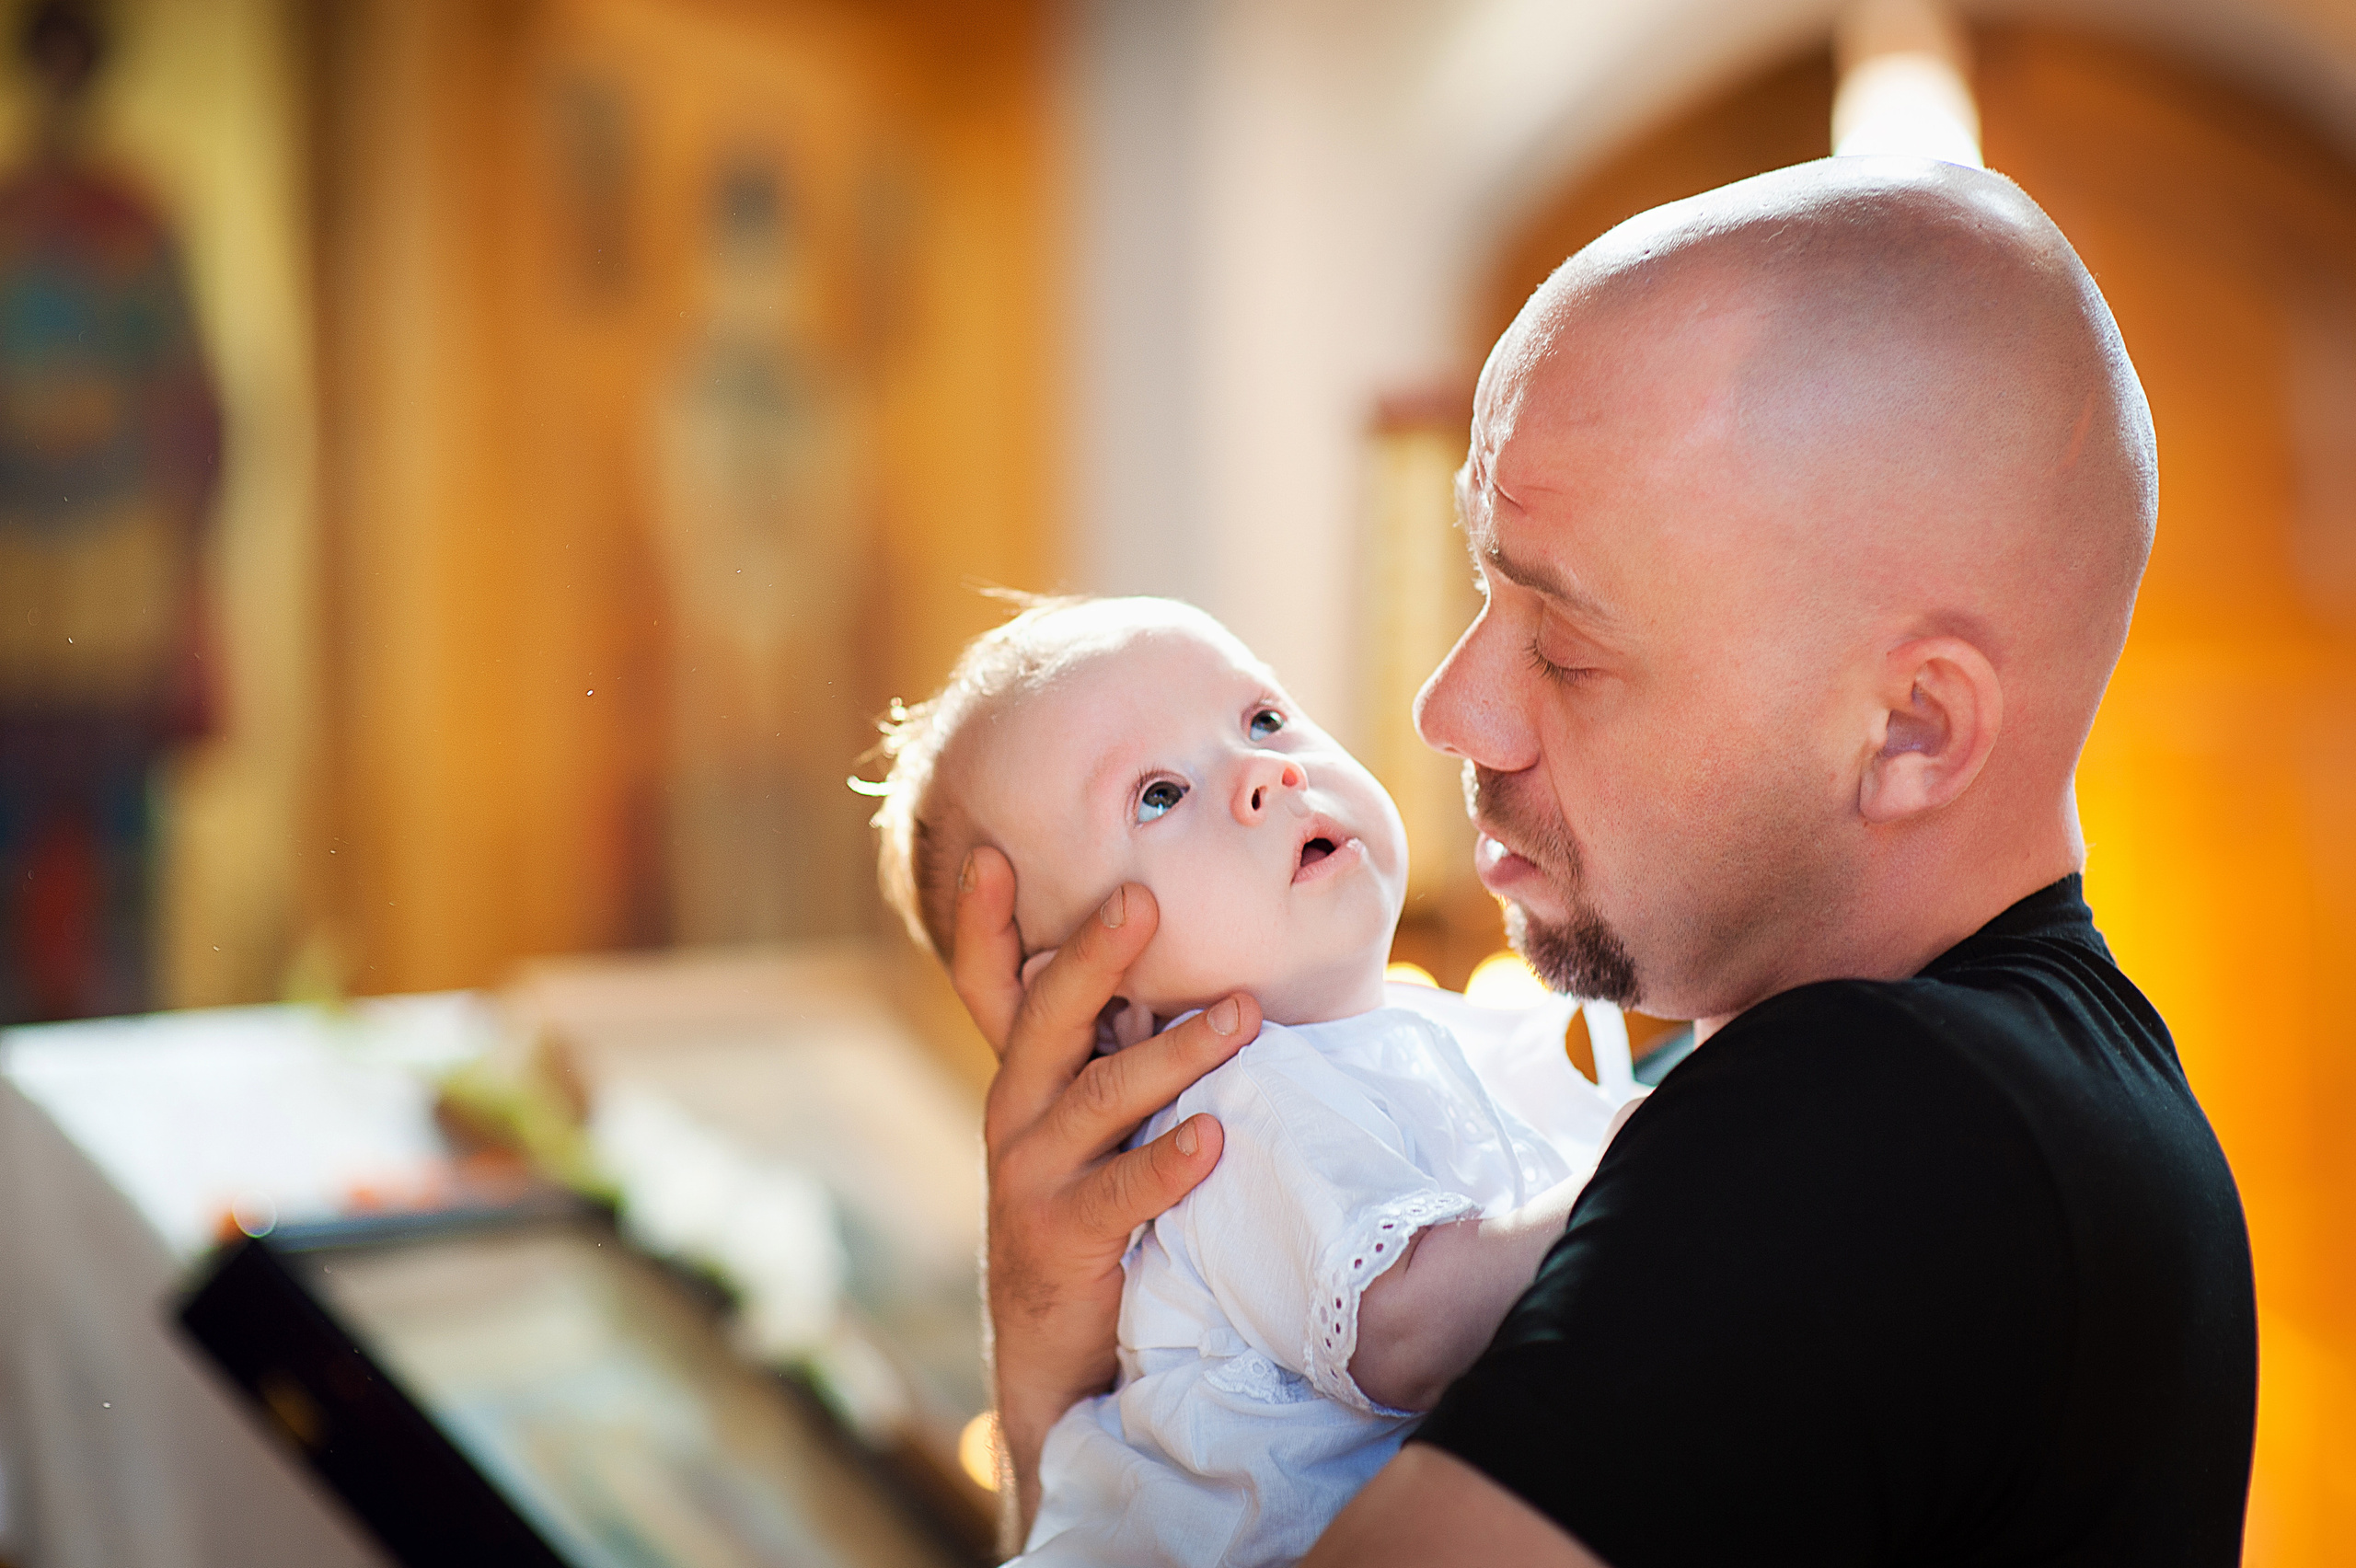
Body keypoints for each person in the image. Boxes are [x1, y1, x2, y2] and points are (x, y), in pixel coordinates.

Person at [956, 156, 2258, 1565]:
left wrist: (1043, 1388)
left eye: (1567, 647)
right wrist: (1074, 1358)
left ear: (1911, 731)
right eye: (1483, 586)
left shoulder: (1869, 1124)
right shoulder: (2050, 1084)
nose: (1450, 710)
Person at [872, 594, 1621, 1564]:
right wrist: (1634, 1175)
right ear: (1102, 1003)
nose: (1267, 773)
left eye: (1262, 718)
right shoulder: (1233, 1110)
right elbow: (1407, 1329)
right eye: (1158, 795)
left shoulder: (1426, 1033)